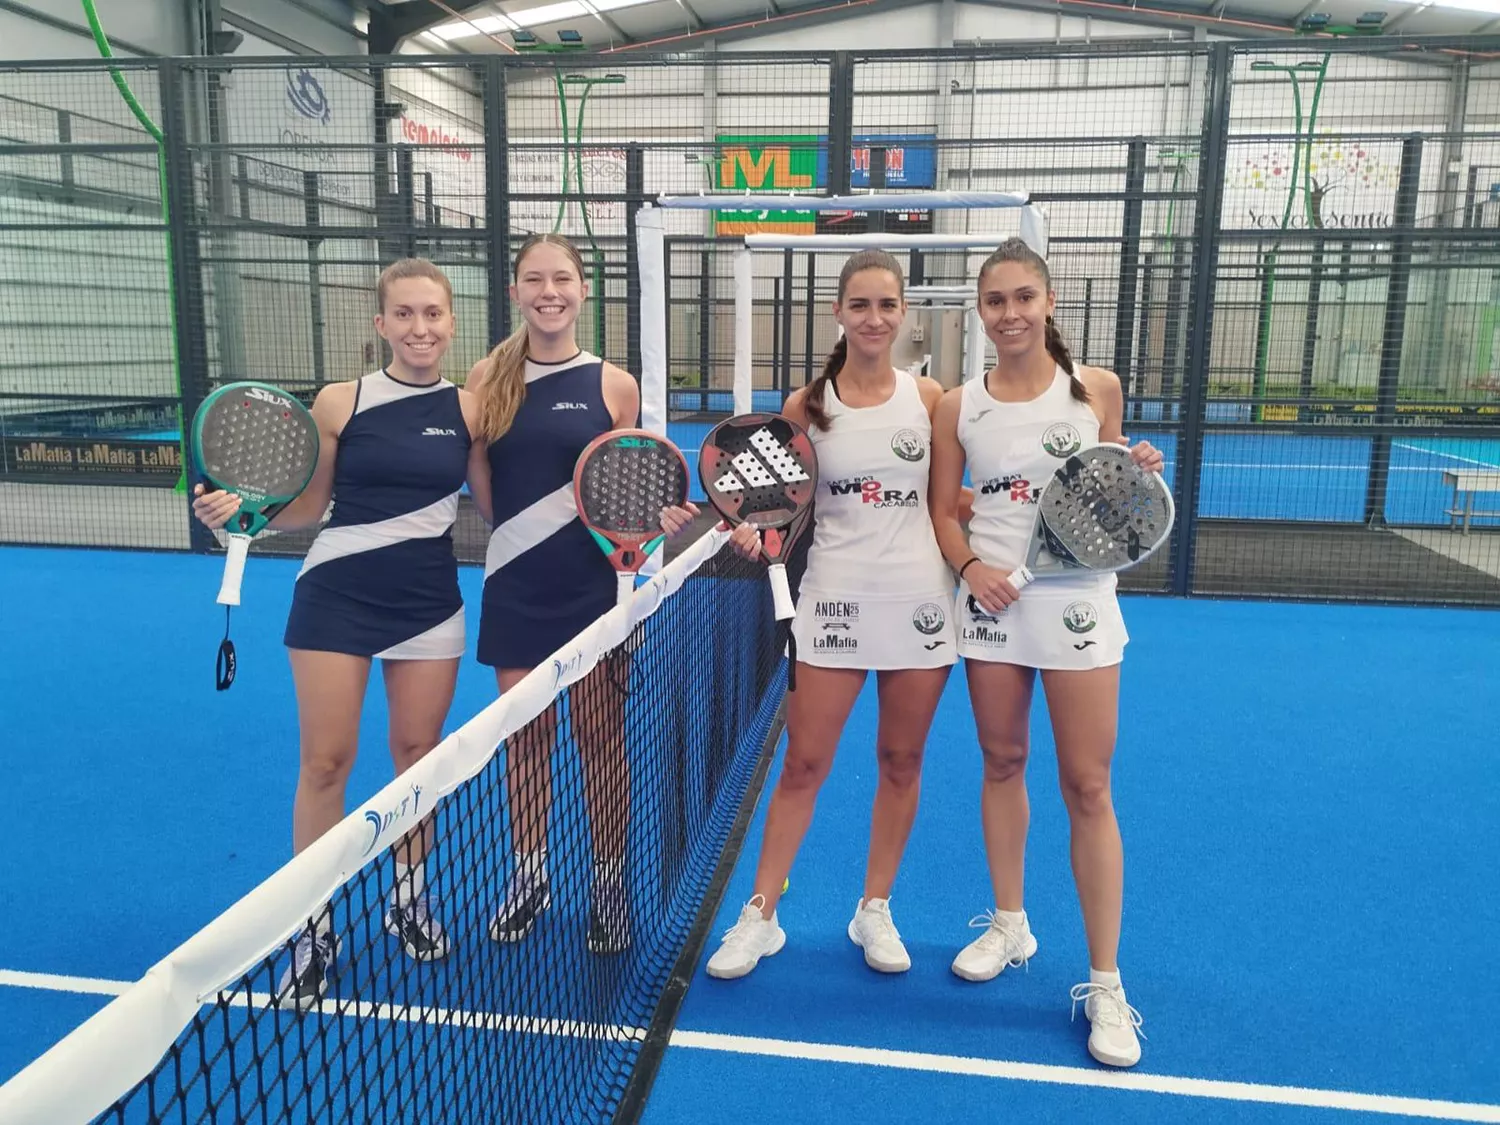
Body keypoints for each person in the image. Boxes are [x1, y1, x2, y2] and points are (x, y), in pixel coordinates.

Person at [192, 256, 492, 1007]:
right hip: (335, 596)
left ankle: (409, 898)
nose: (420, 327)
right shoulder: (341, 401)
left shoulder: (472, 408)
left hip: (429, 601)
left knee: (418, 759)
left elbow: (497, 508)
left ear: (450, 322)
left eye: (433, 313)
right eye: (405, 314)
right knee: (326, 762)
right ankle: (311, 927)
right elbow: (306, 509)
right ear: (381, 323)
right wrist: (245, 515)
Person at [928, 237, 1163, 1068]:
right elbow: (943, 511)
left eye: (1025, 297)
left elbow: (1112, 492)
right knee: (1001, 759)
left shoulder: (1094, 389)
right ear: (981, 311)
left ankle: (1104, 982)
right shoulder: (959, 404)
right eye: (996, 301)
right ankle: (1010, 923)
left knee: (1088, 784)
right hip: (993, 605)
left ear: (1050, 300)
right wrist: (971, 569)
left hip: (1077, 604)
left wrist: (1136, 463)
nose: (1012, 313)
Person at [704, 249, 961, 980]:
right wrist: (760, 534)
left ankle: (873, 907)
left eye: (887, 304)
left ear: (902, 312)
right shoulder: (804, 406)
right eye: (860, 305)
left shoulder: (933, 398)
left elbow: (946, 503)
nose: (874, 318)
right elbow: (782, 509)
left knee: (901, 760)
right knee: (805, 762)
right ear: (839, 313)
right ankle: (761, 912)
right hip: (832, 601)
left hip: (919, 604)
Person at [469, 233, 695, 956]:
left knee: (600, 739)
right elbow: (482, 487)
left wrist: (655, 526)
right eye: (533, 278)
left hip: (595, 588)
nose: (549, 291)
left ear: (583, 289)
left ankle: (607, 882)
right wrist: (514, 536)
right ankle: (529, 875)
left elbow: (629, 482)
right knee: (526, 740)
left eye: (561, 278)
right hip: (516, 586)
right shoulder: (486, 377)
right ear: (515, 291)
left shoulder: (614, 384)